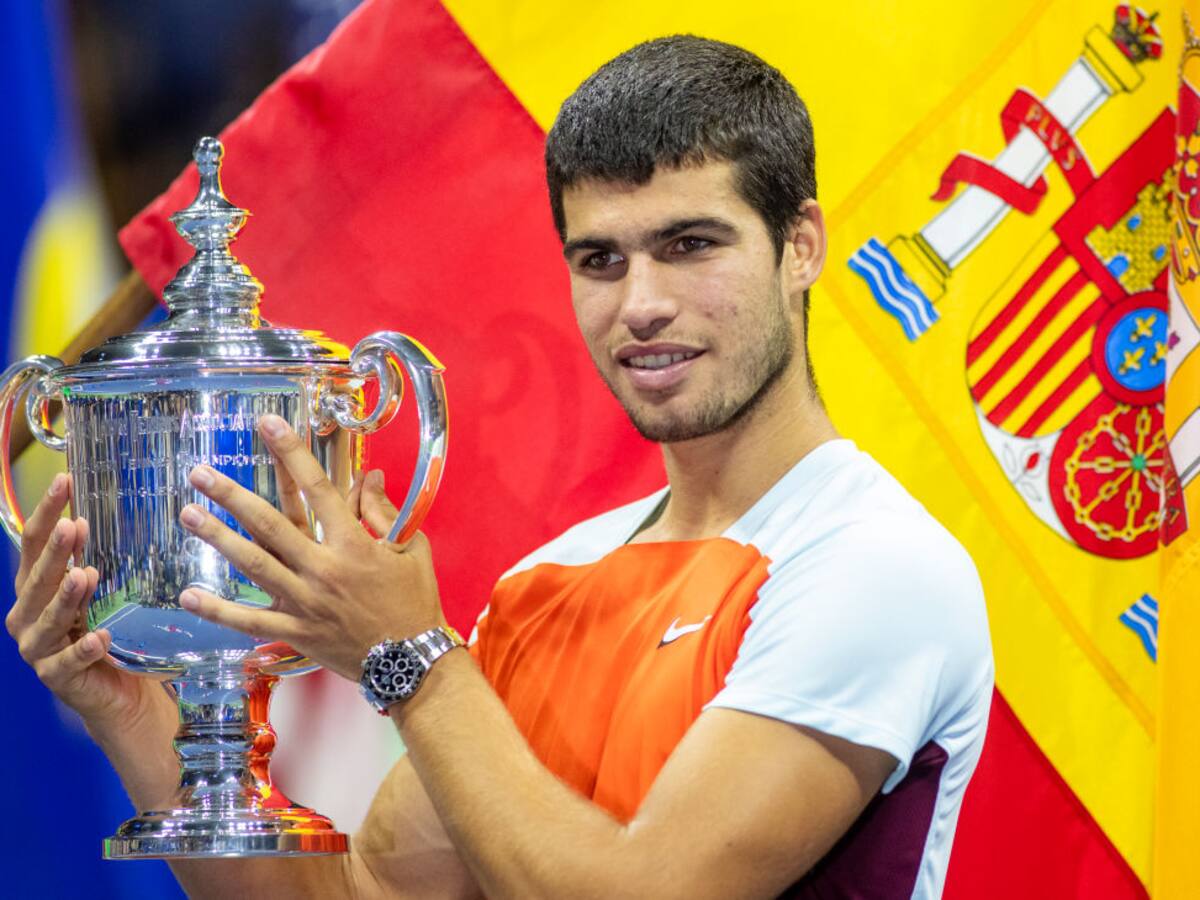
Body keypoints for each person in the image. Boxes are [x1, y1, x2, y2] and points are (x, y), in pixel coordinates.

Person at [6, 35, 992, 899]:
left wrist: (410, 662)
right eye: (600, 259)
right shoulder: (544, 587)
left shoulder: (877, 565)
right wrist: (131, 714)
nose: (641, 303)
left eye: (690, 245)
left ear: (801, 247)